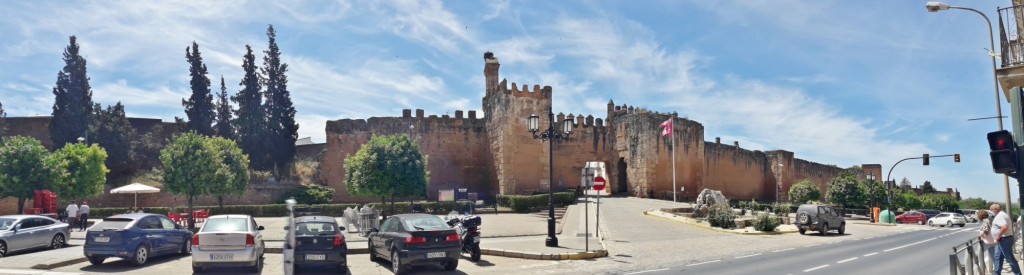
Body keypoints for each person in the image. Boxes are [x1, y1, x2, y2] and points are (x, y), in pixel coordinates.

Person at [990, 204, 1022, 275]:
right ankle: (996, 273)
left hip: (1004, 239)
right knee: (998, 256)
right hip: (1003, 239)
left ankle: (1018, 273)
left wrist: (998, 237)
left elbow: (1004, 227)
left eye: (991, 210)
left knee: (1009, 258)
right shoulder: (1001, 215)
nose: (991, 212)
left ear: (995, 209)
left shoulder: (1000, 215)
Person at [979, 210, 997, 274]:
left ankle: (996, 271)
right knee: (993, 255)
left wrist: (980, 235)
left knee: (992, 256)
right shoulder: (989, 220)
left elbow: (986, 232)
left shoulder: (985, 222)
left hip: (988, 241)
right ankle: (996, 270)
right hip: (992, 240)